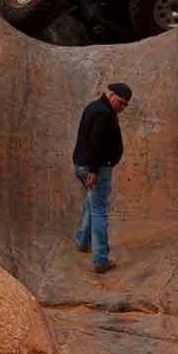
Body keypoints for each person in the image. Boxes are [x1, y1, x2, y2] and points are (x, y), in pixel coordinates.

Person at [73, 83, 132, 274]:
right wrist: (94, 170)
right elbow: (95, 143)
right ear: (112, 95)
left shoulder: (94, 106)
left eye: (125, 106)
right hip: (96, 168)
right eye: (121, 103)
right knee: (99, 212)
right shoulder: (104, 113)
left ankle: (82, 240)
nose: (122, 108)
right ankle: (101, 260)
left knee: (92, 202)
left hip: (83, 165)